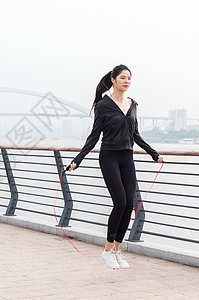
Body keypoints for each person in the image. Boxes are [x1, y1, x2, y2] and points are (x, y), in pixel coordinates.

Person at [66, 64, 163, 269]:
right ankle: (107, 249)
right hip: (109, 157)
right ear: (113, 80)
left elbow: (135, 135)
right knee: (120, 202)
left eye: (129, 78)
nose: (126, 81)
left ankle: (118, 249)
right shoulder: (103, 105)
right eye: (122, 78)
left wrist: (154, 154)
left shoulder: (133, 104)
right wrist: (77, 160)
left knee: (129, 205)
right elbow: (94, 137)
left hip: (127, 157)